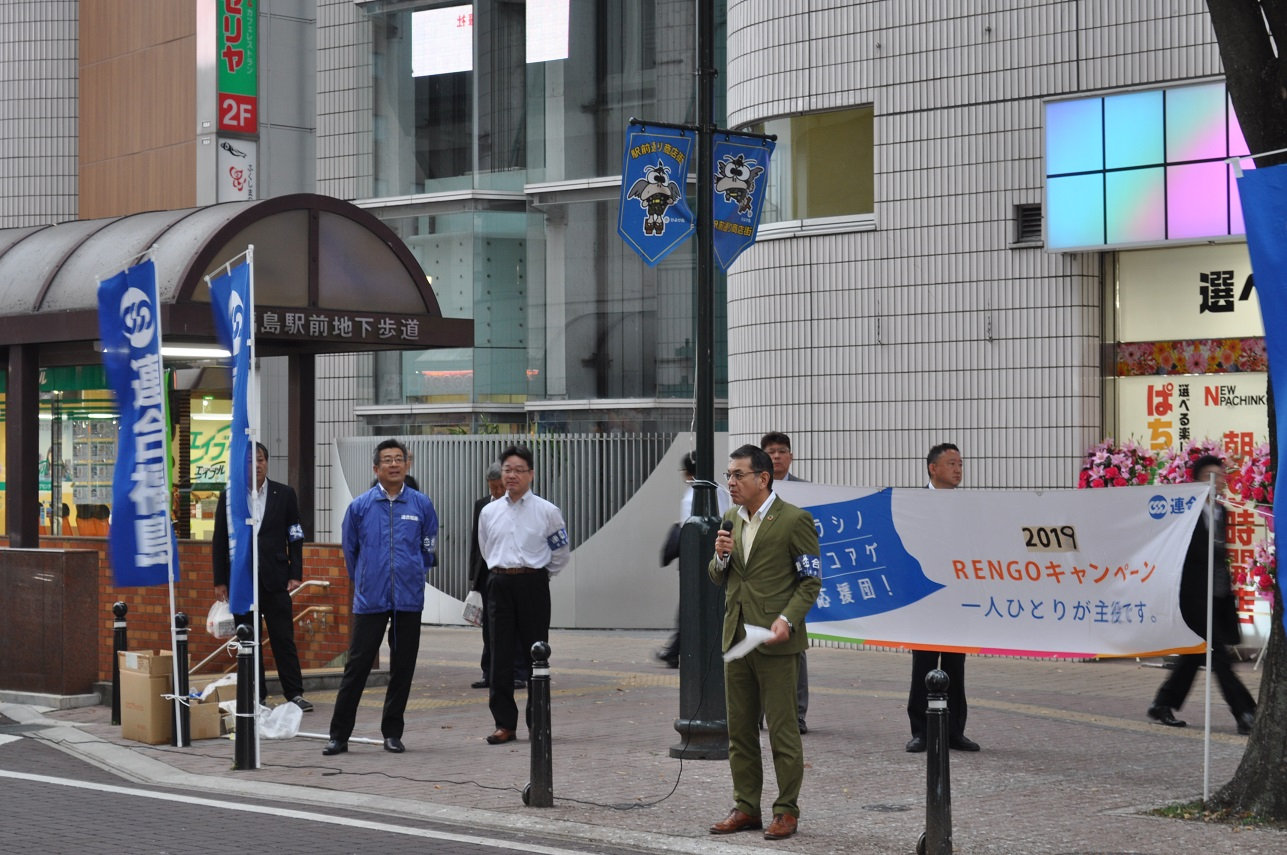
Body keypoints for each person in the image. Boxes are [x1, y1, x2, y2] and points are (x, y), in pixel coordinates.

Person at [708, 444, 821, 841]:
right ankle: (746, 806)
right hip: (737, 637)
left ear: (763, 478)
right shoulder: (729, 519)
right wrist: (720, 558)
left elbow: (811, 580)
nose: (732, 483)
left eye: (739, 475)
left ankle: (786, 810)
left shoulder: (794, 520)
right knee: (739, 730)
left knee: (782, 730)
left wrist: (788, 618)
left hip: (775, 642)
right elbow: (719, 575)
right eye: (729, 475)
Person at [323, 439, 438, 756]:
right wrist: (364, 579)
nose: (394, 464)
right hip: (370, 600)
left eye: (399, 459)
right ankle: (339, 735)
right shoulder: (360, 507)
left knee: (403, 667)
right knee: (357, 667)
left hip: (408, 600)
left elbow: (428, 548)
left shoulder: (421, 504)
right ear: (376, 468)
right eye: (387, 460)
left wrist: (414, 572)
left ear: (407, 465)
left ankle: (392, 732)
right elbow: (350, 552)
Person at [1147, 455, 1257, 734]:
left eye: (1220, 476)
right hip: (1193, 597)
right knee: (1219, 657)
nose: (1218, 481)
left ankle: (1162, 704)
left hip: (1218, 596)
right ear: (1196, 481)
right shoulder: (1185, 513)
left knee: (1194, 655)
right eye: (1211, 476)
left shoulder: (1223, 512)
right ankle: (1246, 712)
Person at [477, 444, 570, 745]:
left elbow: (560, 553)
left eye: (519, 470)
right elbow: (486, 549)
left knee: (536, 655)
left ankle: (537, 722)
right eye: (507, 470)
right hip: (499, 584)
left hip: (533, 584)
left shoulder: (547, 510)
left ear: (531, 474)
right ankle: (504, 724)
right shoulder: (489, 512)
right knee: (499, 655)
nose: (512, 475)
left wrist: (540, 575)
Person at [212, 442, 311, 711]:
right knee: (248, 639)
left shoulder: (284, 493)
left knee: (283, 639)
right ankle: (257, 694)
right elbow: (219, 539)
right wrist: (220, 580)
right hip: (241, 581)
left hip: (276, 578)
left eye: (260, 460)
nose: (256, 465)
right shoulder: (230, 496)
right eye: (249, 461)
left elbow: (296, 535)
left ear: (267, 462)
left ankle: (295, 693)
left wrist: (295, 572)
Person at [906, 442, 978, 753]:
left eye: (960, 463)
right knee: (923, 664)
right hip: (925, 596)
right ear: (932, 468)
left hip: (956, 596)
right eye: (951, 463)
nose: (958, 469)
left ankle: (954, 731)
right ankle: (921, 731)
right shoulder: (913, 504)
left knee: (955, 665)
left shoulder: (969, 506)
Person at [760, 432, 811, 734]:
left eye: (782, 451)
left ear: (791, 456)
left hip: (794, 582)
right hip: (762, 581)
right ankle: (756, 713)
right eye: (771, 452)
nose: (777, 456)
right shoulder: (754, 491)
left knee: (795, 649)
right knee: (756, 646)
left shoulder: (807, 493)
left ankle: (797, 714)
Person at [468, 462, 529, 690]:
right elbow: (477, 543)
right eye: (491, 488)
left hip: (514, 575)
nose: (495, 492)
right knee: (488, 627)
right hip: (487, 575)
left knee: (513, 626)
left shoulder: (520, 505)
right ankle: (489, 672)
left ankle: (517, 672)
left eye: (498, 488)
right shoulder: (482, 506)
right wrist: (473, 580)